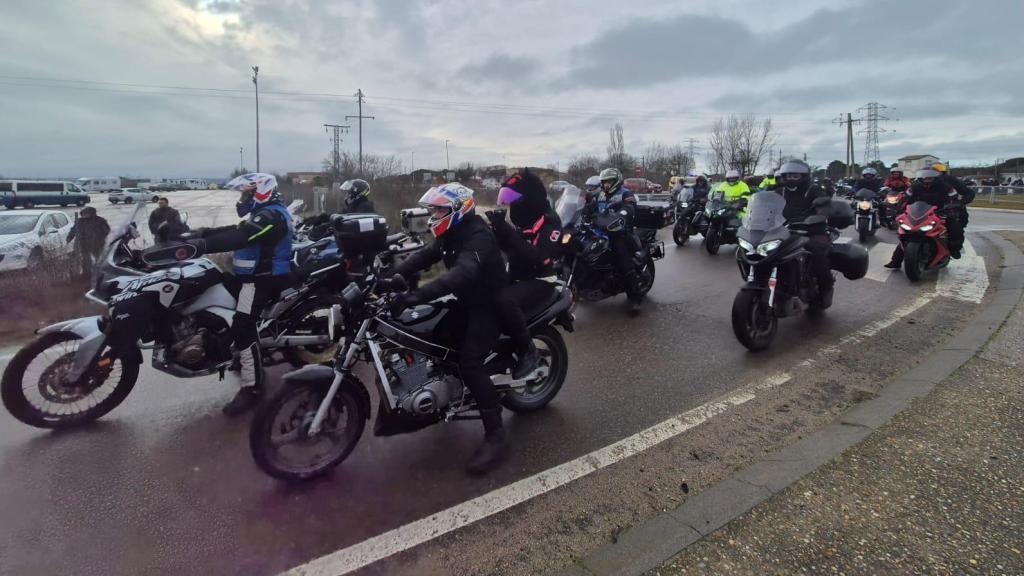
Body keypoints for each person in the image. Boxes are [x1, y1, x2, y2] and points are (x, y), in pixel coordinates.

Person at [389, 183, 511, 474]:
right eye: (433, 209)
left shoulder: (478, 235)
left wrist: (415, 296)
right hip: (465, 300)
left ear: (459, 208)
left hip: (489, 304)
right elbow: (424, 256)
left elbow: (462, 273)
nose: (434, 214)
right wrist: (393, 275)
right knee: (430, 335)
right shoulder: (450, 233)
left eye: (440, 209)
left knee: (469, 362)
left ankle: (496, 435)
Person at [180, 173, 294, 415]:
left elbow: (241, 236)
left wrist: (202, 246)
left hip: (261, 281)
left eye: (246, 194)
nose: (242, 199)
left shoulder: (271, 215)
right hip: (248, 277)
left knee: (243, 325)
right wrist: (200, 233)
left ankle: (252, 387)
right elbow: (236, 228)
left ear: (261, 192)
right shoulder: (262, 213)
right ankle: (235, 352)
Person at [485, 169, 563, 380]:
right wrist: (495, 232)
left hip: (541, 280)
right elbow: (510, 249)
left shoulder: (550, 222)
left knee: (504, 300)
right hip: (518, 276)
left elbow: (537, 257)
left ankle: (528, 350)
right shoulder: (523, 223)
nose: (511, 206)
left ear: (528, 199)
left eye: (514, 200)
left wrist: (507, 233)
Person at [884, 166, 974, 268]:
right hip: (919, 213)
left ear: (936, 177)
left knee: (955, 228)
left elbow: (953, 198)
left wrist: (954, 206)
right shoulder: (915, 186)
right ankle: (896, 261)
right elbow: (906, 198)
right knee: (907, 234)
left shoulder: (946, 187)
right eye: (925, 177)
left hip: (941, 212)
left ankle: (954, 249)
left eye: (930, 177)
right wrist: (898, 208)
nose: (927, 180)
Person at [773, 160, 834, 307]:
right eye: (788, 176)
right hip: (783, 230)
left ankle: (825, 286)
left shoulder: (813, 190)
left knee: (817, 250)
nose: (791, 179)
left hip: (811, 231)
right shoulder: (778, 190)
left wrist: (821, 212)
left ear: (804, 177)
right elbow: (763, 204)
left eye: (795, 176)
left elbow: (824, 205)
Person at [583, 167, 644, 310]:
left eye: (609, 182)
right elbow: (590, 208)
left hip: (620, 233)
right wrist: (584, 213)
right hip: (600, 233)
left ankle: (635, 297)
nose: (606, 185)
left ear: (616, 181)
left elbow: (630, 207)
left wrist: (622, 214)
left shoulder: (625, 193)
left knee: (623, 261)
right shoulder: (600, 195)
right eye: (604, 182)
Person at [67, 206, 111, 274]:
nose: (84, 215)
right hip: (83, 245)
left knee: (99, 259)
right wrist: (69, 237)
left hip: (97, 244)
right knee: (86, 260)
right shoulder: (80, 221)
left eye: (86, 213)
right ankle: (87, 273)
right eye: (83, 213)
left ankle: (99, 272)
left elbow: (107, 230)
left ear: (92, 213)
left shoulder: (100, 221)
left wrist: (100, 236)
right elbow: (73, 230)